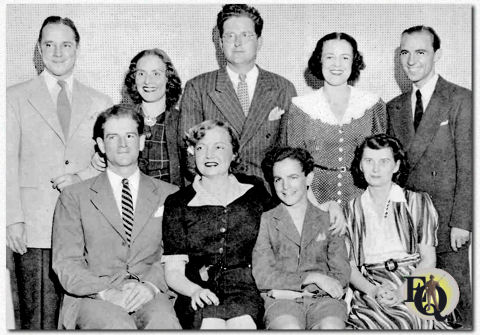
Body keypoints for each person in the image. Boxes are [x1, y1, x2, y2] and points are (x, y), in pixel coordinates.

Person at [6, 16, 112, 329]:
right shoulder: (13, 97)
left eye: (65, 44)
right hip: (35, 225)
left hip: (84, 227)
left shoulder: (100, 101)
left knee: (84, 315)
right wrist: (13, 219)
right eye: (49, 44)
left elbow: (105, 162)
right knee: (38, 315)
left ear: (77, 49)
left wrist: (81, 176)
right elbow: (7, 160)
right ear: (39, 49)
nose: (57, 51)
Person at [52, 104, 181, 329]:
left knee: (164, 323)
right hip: (93, 296)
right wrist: (106, 293)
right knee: (117, 327)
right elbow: (66, 263)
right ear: (101, 145)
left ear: (141, 141)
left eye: (130, 135)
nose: (123, 144)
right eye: (113, 137)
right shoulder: (74, 196)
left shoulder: (169, 194)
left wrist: (149, 286)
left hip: (149, 292)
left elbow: (174, 255)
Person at [386, 25, 472, 329]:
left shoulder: (461, 99)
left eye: (420, 52)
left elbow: (470, 165)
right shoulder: (394, 107)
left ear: (437, 54)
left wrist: (462, 221)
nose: (411, 60)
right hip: (410, 221)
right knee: (420, 307)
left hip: (448, 221)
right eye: (404, 52)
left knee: (456, 304)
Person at [162, 120, 273, 329]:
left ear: (233, 154)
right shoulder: (177, 202)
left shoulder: (254, 190)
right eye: (201, 147)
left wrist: (330, 206)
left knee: (243, 324)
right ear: (193, 153)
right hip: (197, 288)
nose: (209, 155)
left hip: (246, 287)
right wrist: (194, 290)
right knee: (210, 324)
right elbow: (174, 272)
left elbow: (287, 215)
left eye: (219, 147)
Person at [180, 4, 297, 184]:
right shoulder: (198, 88)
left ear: (259, 41)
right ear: (220, 42)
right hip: (216, 194)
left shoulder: (283, 88)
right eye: (230, 36)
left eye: (246, 35)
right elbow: (190, 154)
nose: (237, 43)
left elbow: (289, 154)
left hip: (267, 196)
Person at [345, 134, 450, 329]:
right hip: (371, 285)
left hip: (415, 280)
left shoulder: (418, 202)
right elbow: (349, 267)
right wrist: (374, 291)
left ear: (396, 166)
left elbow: (428, 260)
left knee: (408, 320)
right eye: (368, 161)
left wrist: (402, 293)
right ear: (360, 165)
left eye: (384, 161)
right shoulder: (350, 210)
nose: (375, 169)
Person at [252, 147, 350, 330]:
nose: (285, 186)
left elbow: (342, 274)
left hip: (324, 300)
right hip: (281, 302)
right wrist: (312, 277)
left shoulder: (328, 219)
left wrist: (315, 289)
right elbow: (263, 275)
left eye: (293, 177)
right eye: (278, 179)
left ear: (309, 178)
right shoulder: (267, 220)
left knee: (330, 326)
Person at [283, 32, 386, 206]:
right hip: (313, 201)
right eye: (329, 57)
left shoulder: (372, 104)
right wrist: (314, 205)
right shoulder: (300, 107)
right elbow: (293, 165)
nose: (337, 64)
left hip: (364, 202)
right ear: (319, 60)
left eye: (345, 58)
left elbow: (384, 160)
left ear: (354, 62)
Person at [123, 48, 183, 186]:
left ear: (168, 78)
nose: (147, 81)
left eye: (156, 73)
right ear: (134, 78)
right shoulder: (121, 119)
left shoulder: (182, 121)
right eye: (141, 73)